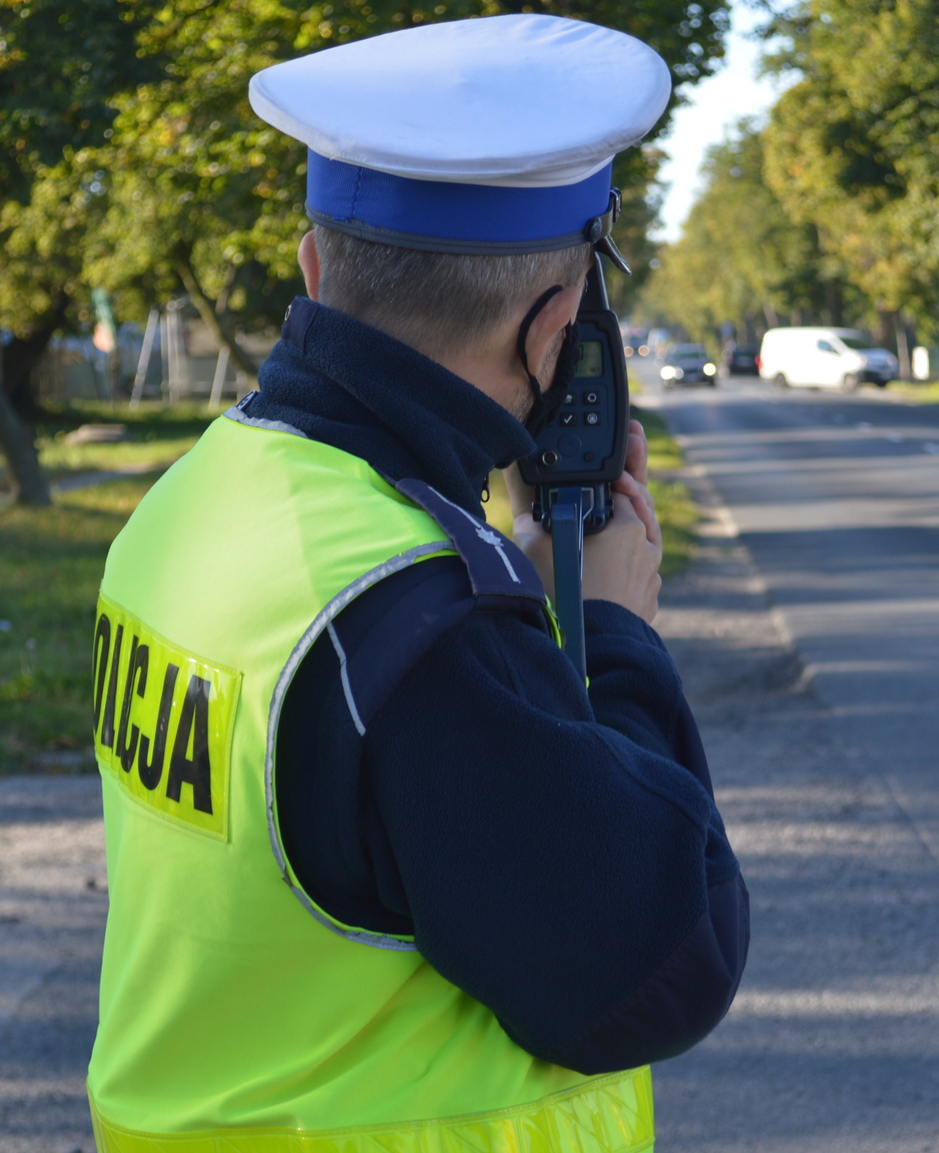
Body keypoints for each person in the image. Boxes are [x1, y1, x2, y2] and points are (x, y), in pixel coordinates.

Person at [86, 14, 748, 1153]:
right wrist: (611, 635)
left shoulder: (192, 500)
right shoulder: (431, 623)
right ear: (555, 335)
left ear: (313, 266)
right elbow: (653, 968)